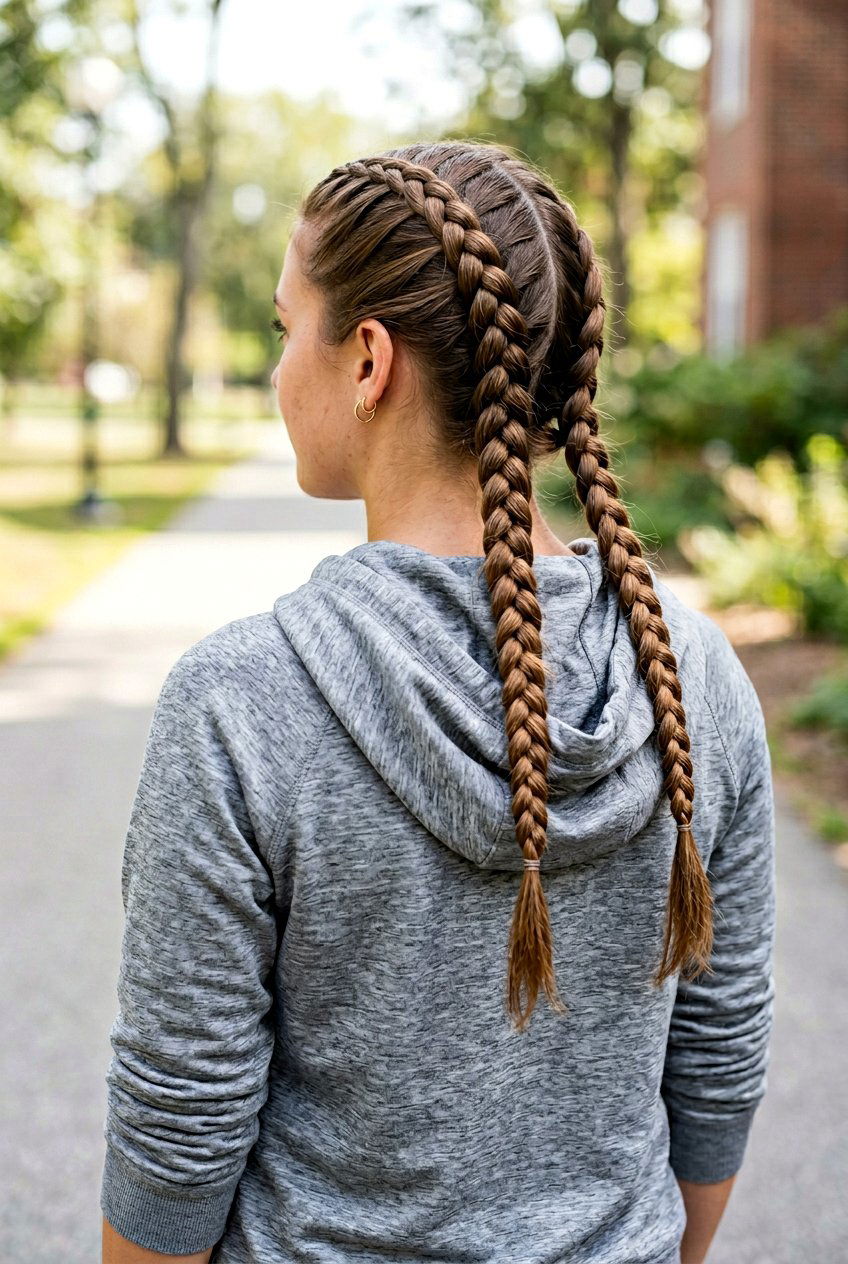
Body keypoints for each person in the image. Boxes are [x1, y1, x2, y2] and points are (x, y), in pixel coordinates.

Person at [100, 141, 776, 1264]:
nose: (277, 371)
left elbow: (179, 1124)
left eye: (283, 330)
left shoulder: (240, 703)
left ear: (367, 359)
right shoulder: (692, 677)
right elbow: (717, 1054)